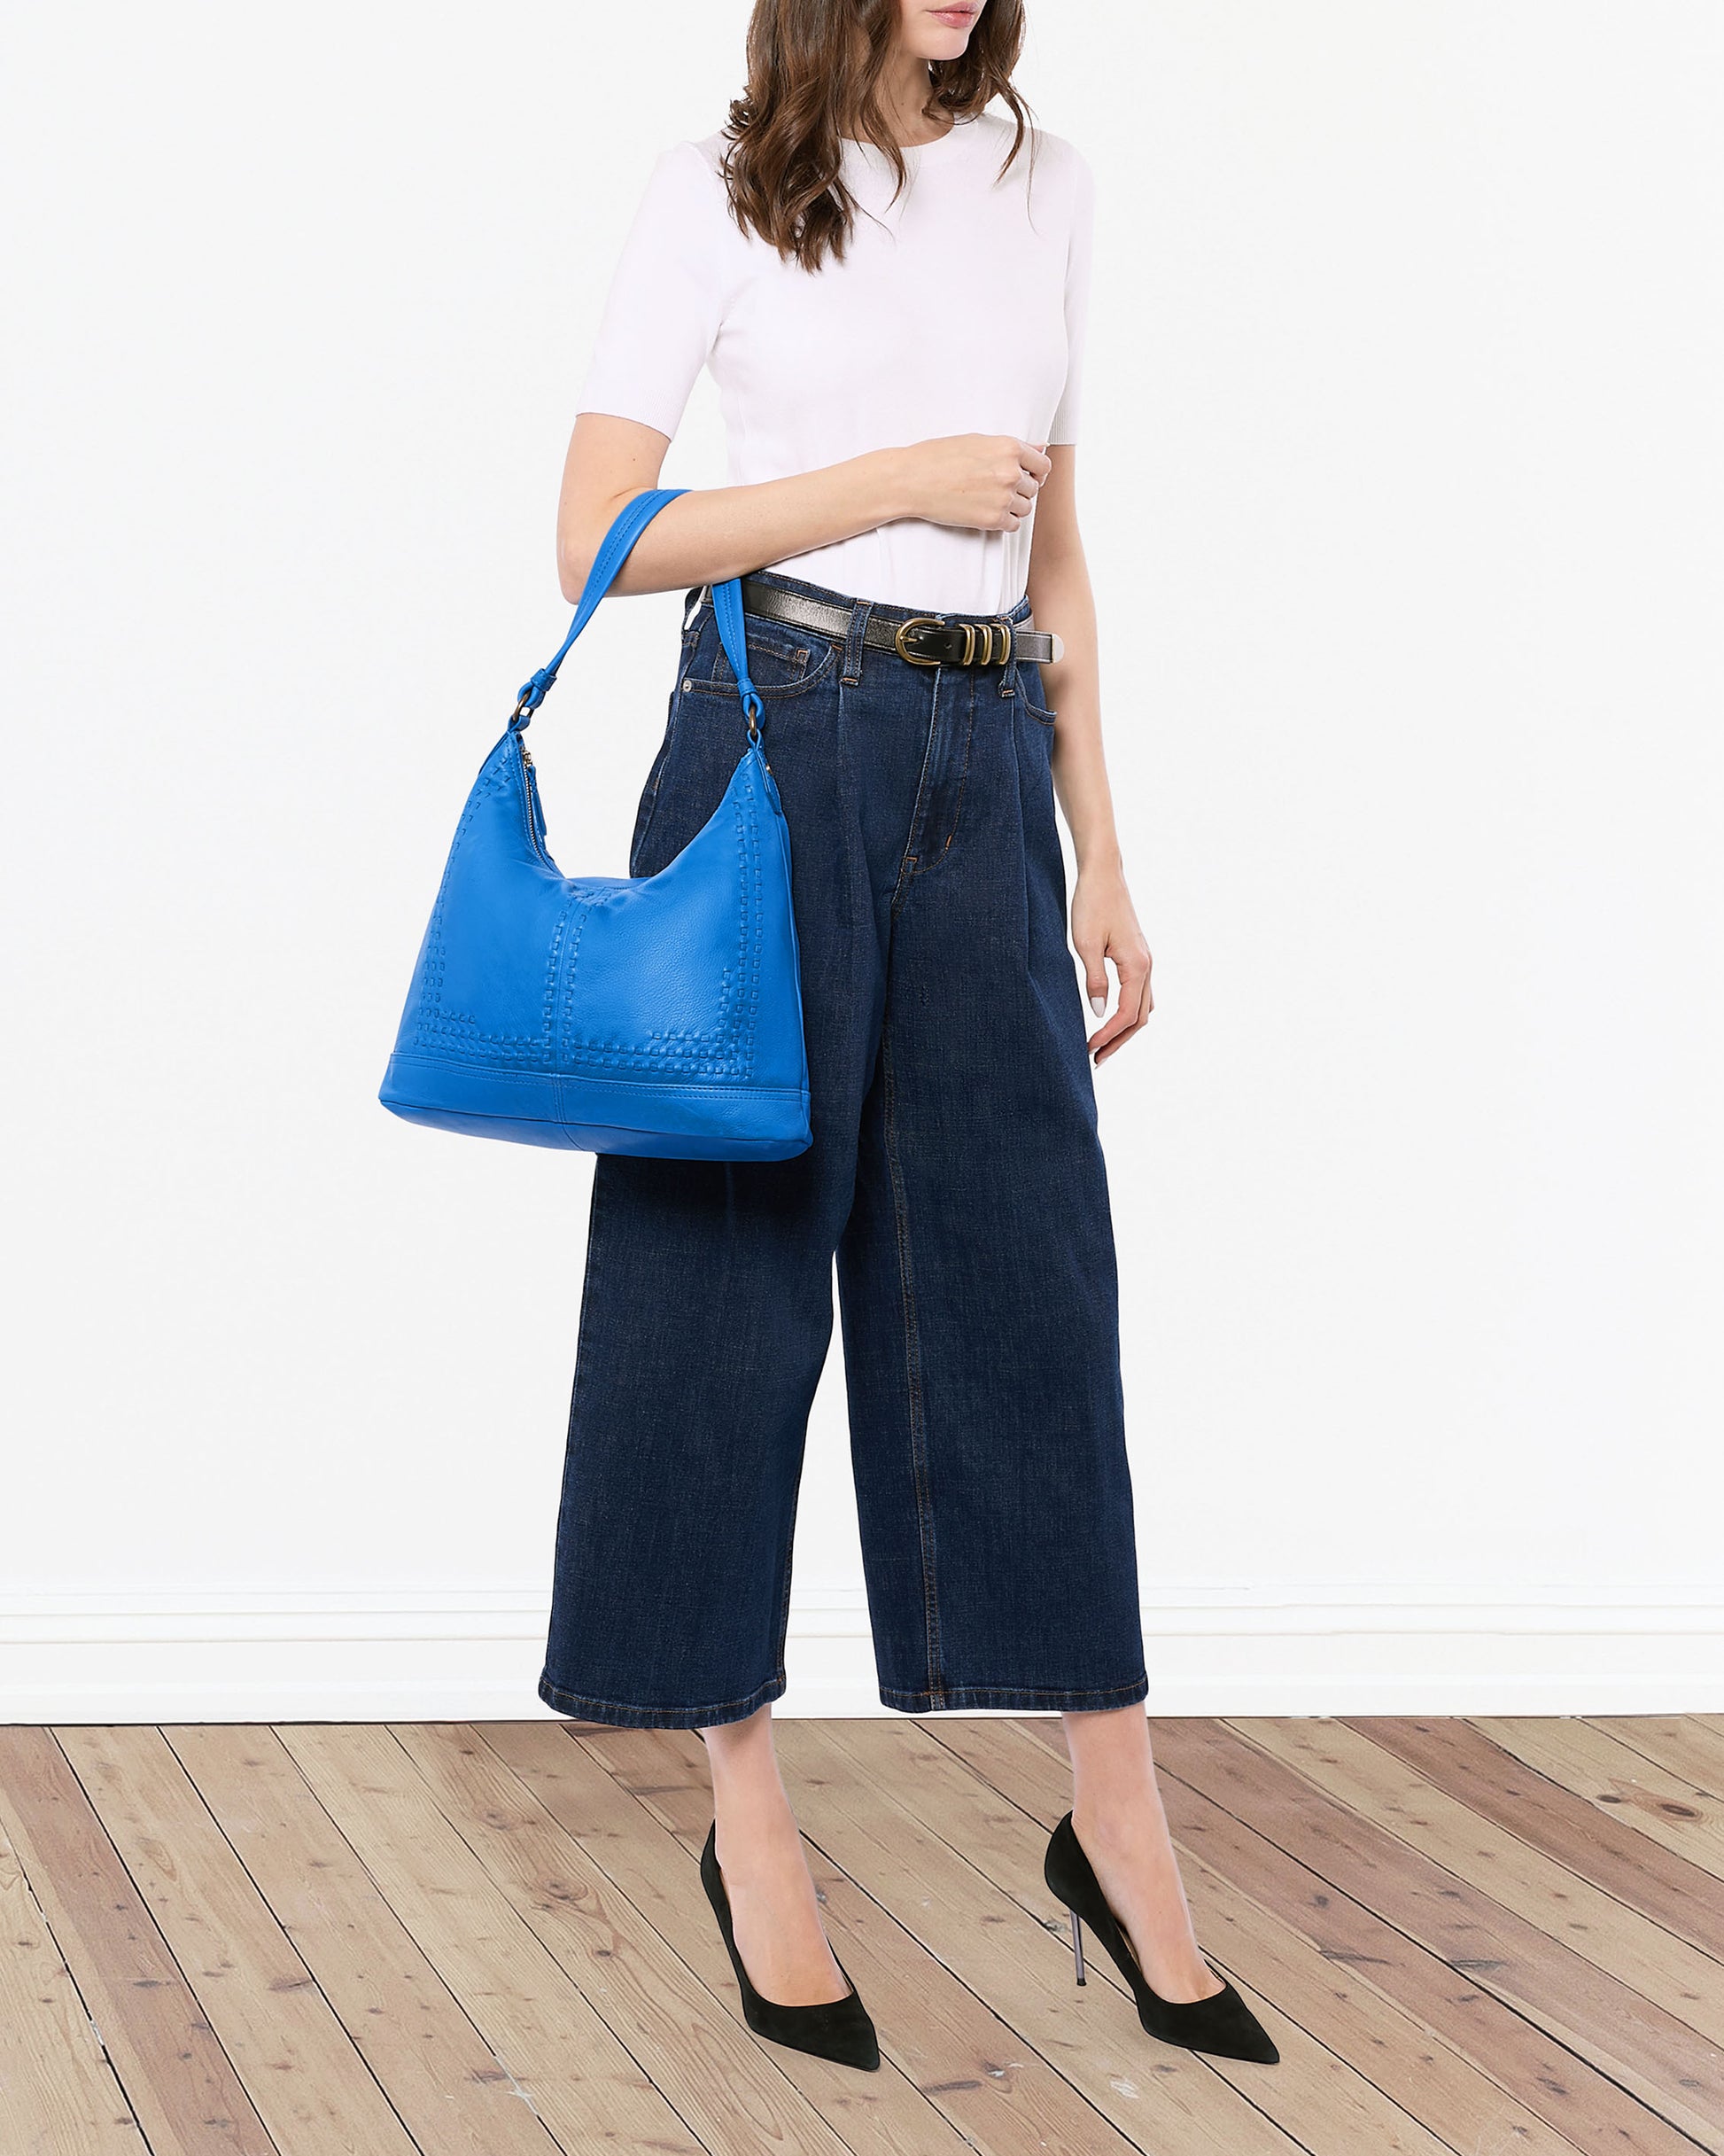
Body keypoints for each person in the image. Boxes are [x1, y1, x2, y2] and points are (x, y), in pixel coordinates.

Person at [538, 0, 1278, 2074]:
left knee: (1028, 1281)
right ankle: (746, 1820)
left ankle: (1114, 1820)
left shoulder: (1047, 183)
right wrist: (881, 481)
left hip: (982, 749)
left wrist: (1102, 843)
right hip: (770, 737)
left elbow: (1052, 540)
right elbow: (595, 532)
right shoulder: (713, 195)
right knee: (721, 1281)